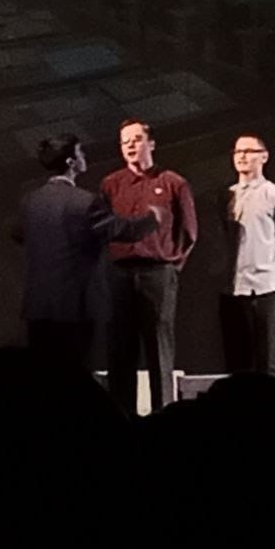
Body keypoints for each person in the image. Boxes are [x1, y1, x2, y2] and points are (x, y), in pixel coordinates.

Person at [14, 133, 160, 371]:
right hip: (76, 306)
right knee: (76, 375)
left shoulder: (30, 201)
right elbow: (123, 230)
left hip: (38, 305)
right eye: (80, 152)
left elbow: (18, 234)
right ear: (71, 162)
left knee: (41, 375)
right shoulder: (85, 202)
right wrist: (153, 218)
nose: (84, 157)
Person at [100, 118, 197, 414]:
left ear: (151, 143)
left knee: (159, 347)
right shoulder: (111, 185)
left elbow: (189, 231)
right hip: (120, 275)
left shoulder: (173, 182)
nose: (130, 145)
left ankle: (164, 415)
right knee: (120, 348)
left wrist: (171, 266)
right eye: (124, 141)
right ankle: (122, 416)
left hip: (157, 273)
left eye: (136, 139)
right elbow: (101, 229)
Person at [216, 132, 275, 378]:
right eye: (237, 151)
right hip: (233, 287)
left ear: (264, 157)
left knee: (268, 359)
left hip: (266, 287)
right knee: (237, 361)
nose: (242, 156)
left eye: (248, 151)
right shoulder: (227, 195)